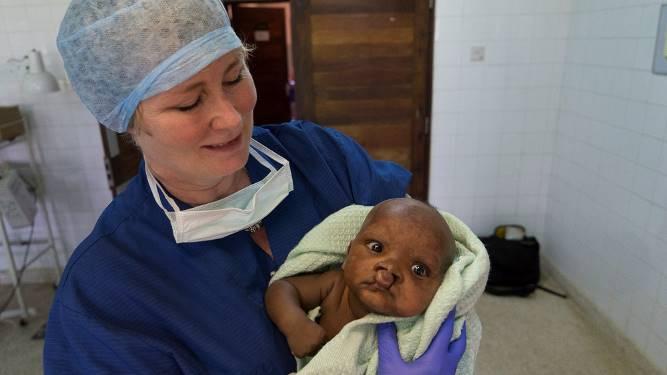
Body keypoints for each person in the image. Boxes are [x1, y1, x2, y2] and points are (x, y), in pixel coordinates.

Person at [43, 1, 466, 373]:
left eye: (234, 76)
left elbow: (434, 256)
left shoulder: (322, 158)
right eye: (189, 102)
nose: (230, 118)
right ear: (127, 119)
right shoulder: (106, 294)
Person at [266, 198, 457, 358]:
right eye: (376, 247)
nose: (390, 269)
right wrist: (294, 324)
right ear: (348, 255)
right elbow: (282, 288)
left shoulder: (421, 333)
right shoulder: (335, 286)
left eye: (418, 269)